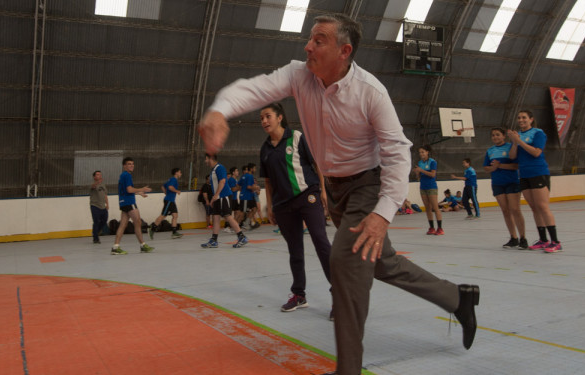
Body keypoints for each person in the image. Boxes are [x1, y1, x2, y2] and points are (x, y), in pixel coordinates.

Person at [197, 13, 479, 375]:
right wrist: (220, 111)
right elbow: (254, 88)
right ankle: (459, 298)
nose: (308, 46)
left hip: (368, 186)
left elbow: (397, 153)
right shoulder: (300, 75)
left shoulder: (370, 92)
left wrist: (382, 213)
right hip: (335, 189)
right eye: (310, 39)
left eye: (318, 40)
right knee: (381, 262)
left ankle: (349, 369)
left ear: (344, 51)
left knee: (345, 263)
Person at [259, 102, 332, 316]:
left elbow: (316, 164)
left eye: (268, 116)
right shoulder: (264, 149)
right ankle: (299, 295)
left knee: (321, 241)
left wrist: (323, 191)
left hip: (307, 195)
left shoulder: (297, 137)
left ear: (280, 117)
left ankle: (339, 293)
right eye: (261, 118)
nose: (264, 121)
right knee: (295, 250)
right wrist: (271, 206)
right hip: (283, 206)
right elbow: (268, 181)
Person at [507, 110, 562, 253]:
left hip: (538, 173)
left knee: (542, 206)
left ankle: (555, 242)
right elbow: (513, 156)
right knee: (534, 208)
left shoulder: (538, 133)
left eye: (524, 117)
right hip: (524, 175)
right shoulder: (518, 136)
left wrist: (519, 141)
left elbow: (536, 152)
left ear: (531, 119)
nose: (521, 120)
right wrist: (514, 142)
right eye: (519, 118)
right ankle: (543, 240)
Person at [484, 127, 528, 249]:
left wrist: (500, 165)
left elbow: (516, 166)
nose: (495, 137)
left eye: (498, 134)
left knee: (515, 209)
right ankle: (513, 238)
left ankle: (523, 238)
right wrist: (492, 168)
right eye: (493, 135)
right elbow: (486, 167)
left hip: (511, 182)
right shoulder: (490, 151)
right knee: (505, 211)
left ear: (504, 136)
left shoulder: (511, 147)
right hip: (497, 183)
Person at [201, 154, 248, 248]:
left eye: (206, 159)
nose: (205, 161)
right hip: (218, 197)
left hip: (223, 196)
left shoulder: (220, 168)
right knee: (216, 217)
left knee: (228, 216)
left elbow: (222, 181)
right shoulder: (213, 170)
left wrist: (216, 195)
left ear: (211, 159)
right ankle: (214, 240)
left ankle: (241, 237)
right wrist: (215, 198)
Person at [111, 157, 154, 255]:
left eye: (132, 164)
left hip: (123, 202)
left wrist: (139, 193)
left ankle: (115, 247)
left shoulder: (123, 175)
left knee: (123, 225)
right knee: (137, 222)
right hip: (129, 202)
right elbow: (129, 190)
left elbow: (126, 191)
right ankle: (143, 245)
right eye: (129, 164)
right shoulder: (127, 175)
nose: (131, 165)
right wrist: (141, 189)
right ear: (124, 166)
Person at [413, 145, 444, 235]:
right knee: (427, 208)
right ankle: (431, 227)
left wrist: (421, 170)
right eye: (420, 152)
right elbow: (419, 177)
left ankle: (440, 228)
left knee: (435, 207)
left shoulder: (432, 162)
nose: (421, 154)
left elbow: (432, 175)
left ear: (427, 152)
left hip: (431, 187)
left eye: (423, 152)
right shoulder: (419, 163)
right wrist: (417, 173)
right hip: (423, 187)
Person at [149, 168, 184, 240]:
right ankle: (152, 229)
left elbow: (163, 186)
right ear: (176, 173)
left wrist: (166, 192)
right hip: (169, 201)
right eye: (180, 172)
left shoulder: (170, 179)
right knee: (163, 216)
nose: (181, 174)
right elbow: (170, 187)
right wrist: (177, 191)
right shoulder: (173, 179)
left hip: (171, 201)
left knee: (175, 215)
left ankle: (174, 233)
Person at [89, 170, 109, 244]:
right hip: (95, 205)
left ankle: (95, 232)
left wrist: (107, 204)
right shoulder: (92, 185)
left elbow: (105, 194)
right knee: (96, 221)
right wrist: (97, 182)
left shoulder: (103, 185)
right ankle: (96, 238)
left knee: (104, 220)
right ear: (94, 177)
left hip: (103, 206)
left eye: (100, 174)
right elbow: (93, 186)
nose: (99, 176)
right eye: (97, 175)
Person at [238, 164, 260, 229]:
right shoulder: (250, 176)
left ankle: (246, 223)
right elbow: (249, 187)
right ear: (251, 169)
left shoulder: (244, 176)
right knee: (242, 212)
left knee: (254, 209)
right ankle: (236, 226)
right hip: (246, 196)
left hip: (249, 196)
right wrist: (256, 188)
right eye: (254, 168)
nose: (255, 170)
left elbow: (238, 185)